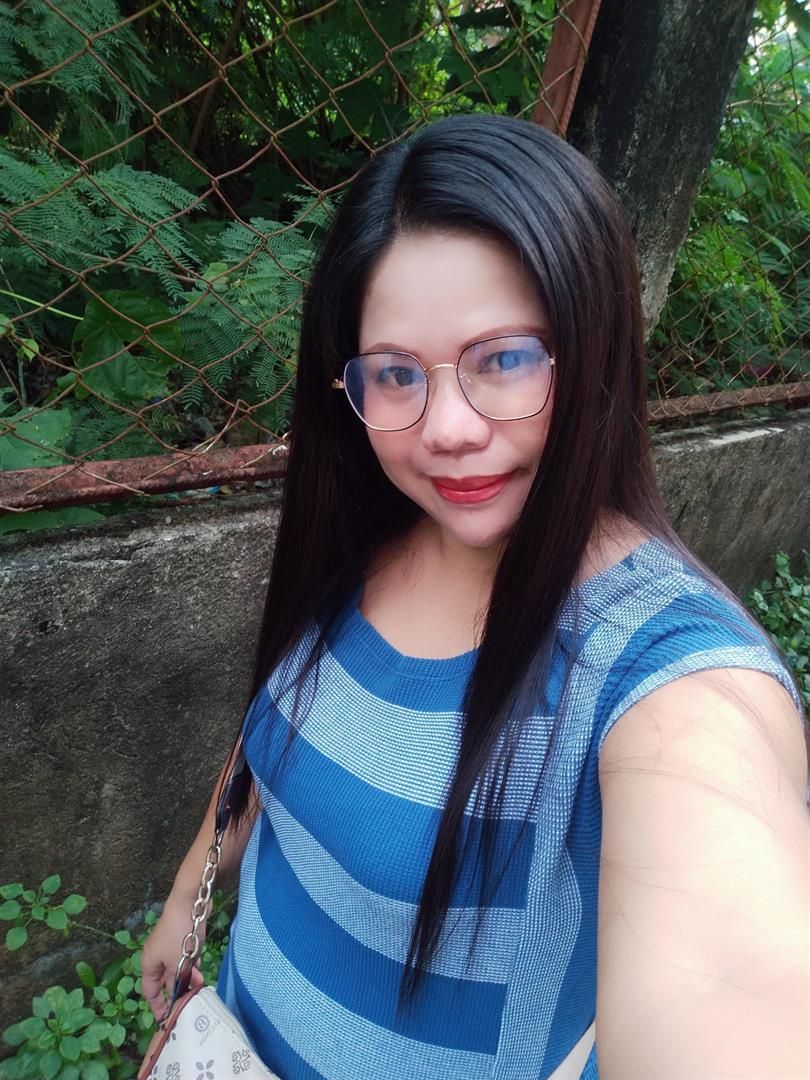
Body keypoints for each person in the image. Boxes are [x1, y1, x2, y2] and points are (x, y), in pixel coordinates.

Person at [141, 114, 809, 1080]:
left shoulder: (659, 674)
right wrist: (183, 900)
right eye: (396, 374)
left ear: (593, 350)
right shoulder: (364, 534)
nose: (447, 429)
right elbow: (272, 732)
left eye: (502, 359)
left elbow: (728, 985)